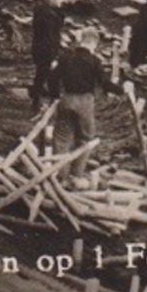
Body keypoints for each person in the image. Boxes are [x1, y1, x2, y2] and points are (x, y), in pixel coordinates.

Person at [48, 29, 104, 184]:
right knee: (85, 138)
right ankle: (76, 175)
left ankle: (60, 176)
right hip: (85, 101)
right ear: (95, 43)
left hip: (67, 98)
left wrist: (55, 96)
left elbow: (52, 78)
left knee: (61, 138)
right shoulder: (95, 61)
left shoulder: (66, 57)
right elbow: (102, 82)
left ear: (81, 40)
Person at [29, 0, 66, 109]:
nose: (62, 0)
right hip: (45, 50)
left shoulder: (45, 11)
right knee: (50, 75)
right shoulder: (47, 16)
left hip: (41, 48)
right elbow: (48, 38)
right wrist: (52, 57)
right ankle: (51, 101)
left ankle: (37, 97)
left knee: (42, 75)